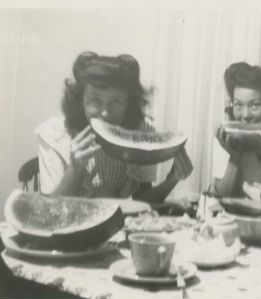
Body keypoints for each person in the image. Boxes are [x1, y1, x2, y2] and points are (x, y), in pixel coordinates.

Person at [35, 52, 193, 202]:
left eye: (116, 102)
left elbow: (141, 201)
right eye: (95, 100)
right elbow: (48, 211)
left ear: (128, 104)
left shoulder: (141, 129)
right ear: (80, 100)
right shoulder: (53, 134)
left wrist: (172, 180)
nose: (105, 113)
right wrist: (75, 171)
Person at [212, 62, 261, 204]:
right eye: (238, 105)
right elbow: (219, 201)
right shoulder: (225, 138)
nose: (245, 115)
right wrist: (234, 158)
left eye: (255, 105)